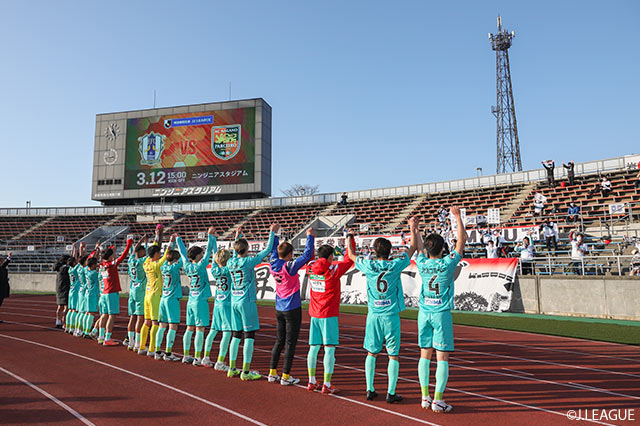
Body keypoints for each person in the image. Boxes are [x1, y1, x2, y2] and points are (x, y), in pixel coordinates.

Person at [347, 216, 418, 404]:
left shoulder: (368, 265)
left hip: (374, 316)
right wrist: (413, 228)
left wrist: (349, 237)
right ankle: (391, 392)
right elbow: (413, 248)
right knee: (393, 355)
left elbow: (351, 255)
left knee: (371, 353)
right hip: (391, 315)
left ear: (374, 251)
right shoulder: (395, 265)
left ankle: (370, 389)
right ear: (390, 251)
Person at [414, 206, 466, 413]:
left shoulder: (421, 262)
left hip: (423, 313)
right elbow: (461, 241)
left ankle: (425, 397)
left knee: (424, 355)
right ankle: (438, 400)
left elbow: (418, 248)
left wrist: (414, 228)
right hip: (441, 313)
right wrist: (457, 217)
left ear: (428, 250)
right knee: (442, 357)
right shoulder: (447, 263)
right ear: (443, 249)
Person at [226, 223, 279, 381]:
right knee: (249, 335)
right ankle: (246, 371)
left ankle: (232, 368)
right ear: (247, 249)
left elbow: (235, 253)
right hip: (246, 301)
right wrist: (272, 232)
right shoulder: (248, 262)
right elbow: (267, 250)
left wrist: (237, 236)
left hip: (234, 301)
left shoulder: (230, 262)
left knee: (236, 335)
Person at [306, 232, 356, 394]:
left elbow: (308, 256)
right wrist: (350, 239)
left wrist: (310, 238)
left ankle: (311, 381)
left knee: (313, 348)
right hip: (329, 315)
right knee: (329, 349)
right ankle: (326, 384)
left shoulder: (310, 267)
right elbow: (349, 260)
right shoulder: (334, 269)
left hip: (314, 314)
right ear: (329, 257)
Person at [268, 227, 315, 386]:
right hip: (292, 307)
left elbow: (273, 250)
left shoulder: (273, 262)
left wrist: (274, 234)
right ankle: (286, 375)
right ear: (289, 254)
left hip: (279, 307)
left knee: (279, 341)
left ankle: (272, 372)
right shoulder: (289, 266)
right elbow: (307, 255)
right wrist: (310, 237)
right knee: (290, 343)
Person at [177, 228, 215, 365]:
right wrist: (210, 236)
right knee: (200, 329)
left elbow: (182, 253)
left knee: (189, 328)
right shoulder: (201, 265)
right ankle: (198, 357)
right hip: (200, 300)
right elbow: (209, 250)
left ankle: (186, 355)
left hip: (191, 300)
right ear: (198, 255)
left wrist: (178, 240)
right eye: (201, 253)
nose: (203, 255)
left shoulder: (187, 266)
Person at [201, 249, 234, 371]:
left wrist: (214, 244)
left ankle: (206, 357)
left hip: (217, 303)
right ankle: (220, 361)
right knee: (227, 332)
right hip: (227, 303)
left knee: (213, 330)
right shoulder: (229, 269)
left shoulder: (214, 270)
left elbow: (214, 261)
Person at [98, 238, 133, 346]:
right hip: (111, 293)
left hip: (104, 293)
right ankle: (107, 338)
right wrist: (129, 244)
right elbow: (123, 256)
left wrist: (111, 250)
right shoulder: (111, 265)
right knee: (111, 316)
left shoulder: (101, 265)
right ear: (110, 257)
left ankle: (101, 337)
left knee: (104, 315)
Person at [139, 225, 168, 356]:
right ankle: (151, 349)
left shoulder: (146, 263)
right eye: (159, 253)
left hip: (147, 295)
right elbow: (165, 257)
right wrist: (171, 243)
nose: (160, 254)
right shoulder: (156, 265)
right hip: (155, 296)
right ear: (156, 254)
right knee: (155, 322)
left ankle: (141, 346)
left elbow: (154, 249)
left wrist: (157, 236)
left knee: (147, 322)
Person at [154, 236, 182, 361]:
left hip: (163, 298)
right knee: (173, 326)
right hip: (172, 299)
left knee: (162, 325)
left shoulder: (163, 267)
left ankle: (157, 350)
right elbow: (184, 258)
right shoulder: (174, 267)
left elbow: (166, 257)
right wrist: (177, 242)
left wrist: (171, 243)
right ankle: (168, 353)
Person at [126, 236, 148, 351]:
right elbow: (149, 255)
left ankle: (131, 341)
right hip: (140, 291)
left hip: (132, 290)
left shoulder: (131, 261)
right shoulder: (142, 261)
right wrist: (146, 243)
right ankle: (138, 343)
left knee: (132, 317)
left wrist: (140, 241)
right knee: (140, 318)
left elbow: (134, 250)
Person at [53, 254, 71, 329]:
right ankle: (64, 322)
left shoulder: (59, 267)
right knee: (66, 307)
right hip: (65, 288)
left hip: (59, 288)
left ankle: (58, 321)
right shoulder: (65, 268)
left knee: (60, 306)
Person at [0, 252, 11, 323]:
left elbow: (5, 264)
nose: (2, 261)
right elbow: (5, 264)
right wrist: (8, 258)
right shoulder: (1, 267)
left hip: (2, 288)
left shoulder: (2, 268)